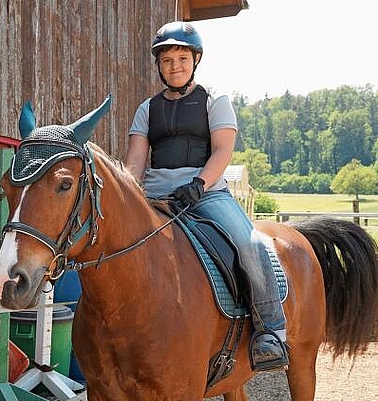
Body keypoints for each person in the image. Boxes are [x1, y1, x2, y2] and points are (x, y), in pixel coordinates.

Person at [124, 21, 289, 372]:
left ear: (195, 59)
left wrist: (199, 184)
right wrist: (130, 195)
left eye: (182, 58)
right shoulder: (146, 109)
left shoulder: (215, 99)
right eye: (167, 60)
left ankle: (270, 331)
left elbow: (222, 150)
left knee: (251, 244)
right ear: (159, 65)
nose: (175, 66)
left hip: (205, 192)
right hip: (156, 194)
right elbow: (136, 161)